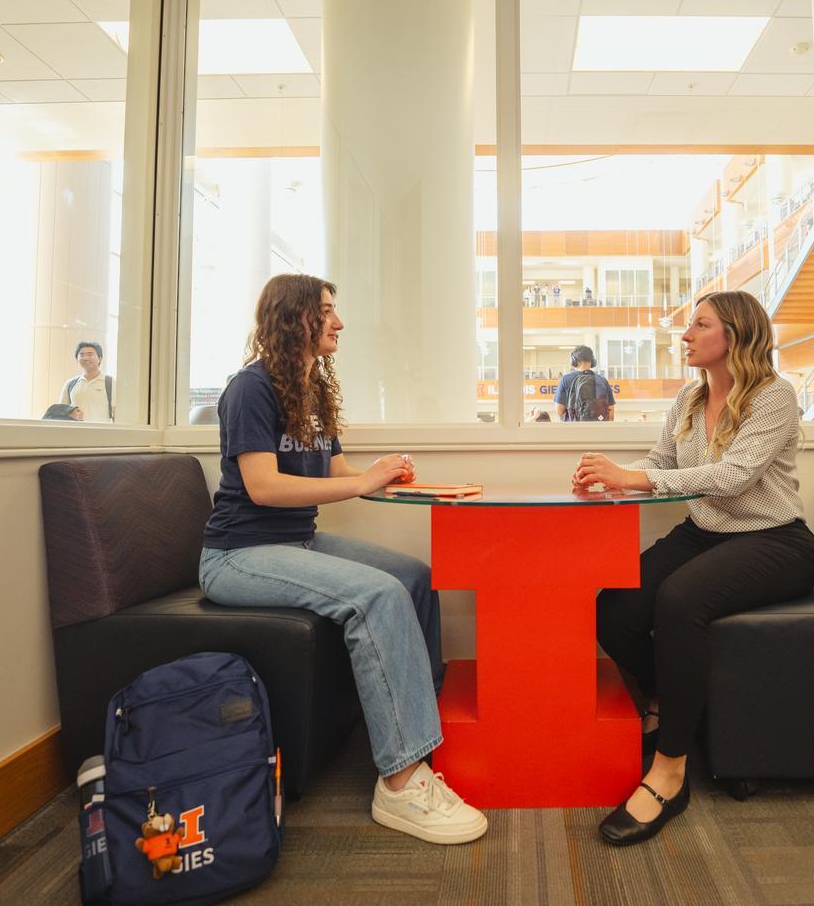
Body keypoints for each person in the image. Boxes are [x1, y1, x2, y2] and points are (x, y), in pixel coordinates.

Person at [198, 274, 488, 843]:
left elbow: (339, 474)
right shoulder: (249, 389)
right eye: (327, 311)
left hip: (293, 543)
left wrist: (400, 482)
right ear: (295, 318)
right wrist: (364, 485)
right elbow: (262, 488)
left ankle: (416, 724)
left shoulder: (309, 391)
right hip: (238, 554)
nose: (339, 322)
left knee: (413, 577)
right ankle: (402, 782)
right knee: (377, 596)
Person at [574, 290, 814, 846]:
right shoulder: (689, 397)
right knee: (614, 608)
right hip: (704, 533)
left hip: (775, 540)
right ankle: (669, 704)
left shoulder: (774, 396)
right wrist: (608, 478)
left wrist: (631, 478)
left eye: (700, 325)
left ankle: (670, 772)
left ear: (733, 336)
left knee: (680, 601)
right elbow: (661, 465)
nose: (685, 335)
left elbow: (734, 476)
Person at [554, 346, 616, 421]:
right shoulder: (602, 380)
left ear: (574, 360)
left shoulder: (566, 379)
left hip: (574, 430)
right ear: (592, 360)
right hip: (598, 429)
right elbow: (611, 414)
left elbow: (560, 411)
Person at [59, 341, 114, 422]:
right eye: (81, 355)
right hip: (75, 432)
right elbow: (61, 412)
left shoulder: (111, 382)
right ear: (77, 360)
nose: (85, 358)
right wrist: (70, 414)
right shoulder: (70, 384)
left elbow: (118, 412)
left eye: (90, 354)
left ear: (100, 358)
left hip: (103, 433)